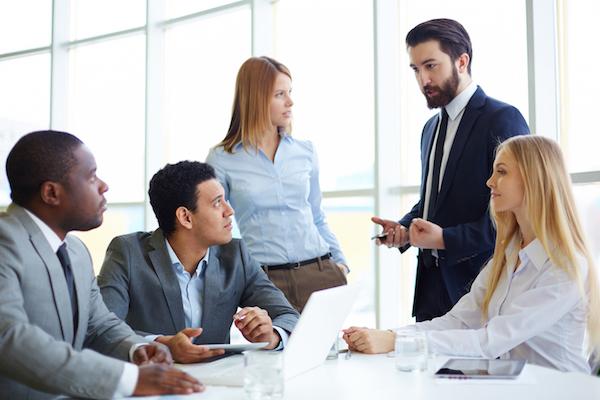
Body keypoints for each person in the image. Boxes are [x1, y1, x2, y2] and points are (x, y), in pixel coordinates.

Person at [344, 135, 600, 373]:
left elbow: (491, 340)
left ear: (534, 179)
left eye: (501, 172)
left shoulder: (565, 266)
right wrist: (386, 335)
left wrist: (393, 341)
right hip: (518, 388)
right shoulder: (508, 255)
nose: (490, 182)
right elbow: (459, 321)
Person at [0, 131, 202, 399]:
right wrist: (128, 379)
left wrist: (135, 348)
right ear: (51, 192)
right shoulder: (6, 241)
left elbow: (98, 324)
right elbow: (10, 339)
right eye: (92, 176)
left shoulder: (76, 251)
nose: (103, 186)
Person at [372, 18, 530, 321]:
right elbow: (434, 200)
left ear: (461, 61)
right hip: (430, 288)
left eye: (431, 66)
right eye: (416, 69)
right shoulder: (430, 128)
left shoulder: (501, 119)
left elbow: (516, 212)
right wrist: (405, 230)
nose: (423, 80)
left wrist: (445, 239)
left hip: (479, 286)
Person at [98, 161, 299, 363]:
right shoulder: (127, 252)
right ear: (185, 217)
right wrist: (161, 344)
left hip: (220, 382)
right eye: (217, 203)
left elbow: (288, 316)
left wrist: (270, 335)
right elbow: (102, 328)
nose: (230, 211)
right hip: (152, 379)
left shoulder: (235, 254)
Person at [206, 56, 347, 312]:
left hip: (321, 272)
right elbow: (215, 227)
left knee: (327, 353)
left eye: (290, 92)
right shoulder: (222, 159)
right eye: (280, 94)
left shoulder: (305, 151)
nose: (290, 102)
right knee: (272, 351)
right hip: (265, 280)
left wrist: (340, 264)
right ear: (256, 99)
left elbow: (316, 215)